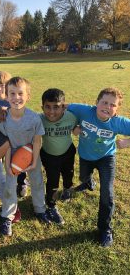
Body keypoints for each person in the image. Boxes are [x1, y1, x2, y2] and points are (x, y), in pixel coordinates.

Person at [67, 87, 130, 247]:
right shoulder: (85, 111)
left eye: (112, 105)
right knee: (83, 178)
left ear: (117, 109)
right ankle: (88, 183)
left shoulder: (119, 122)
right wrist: (73, 126)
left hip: (106, 158)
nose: (107, 107)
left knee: (107, 194)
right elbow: (63, 106)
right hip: (85, 156)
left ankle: (105, 229)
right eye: (104, 102)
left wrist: (127, 142)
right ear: (96, 103)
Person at [0, 77, 52, 237]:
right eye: (12, 94)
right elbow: (5, 143)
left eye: (20, 93)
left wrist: (34, 161)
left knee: (37, 182)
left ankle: (40, 209)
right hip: (11, 155)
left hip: (31, 154)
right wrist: (7, 165)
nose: (16, 98)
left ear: (28, 95)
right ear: (6, 96)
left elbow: (37, 140)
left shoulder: (34, 118)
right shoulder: (3, 118)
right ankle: (7, 216)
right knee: (9, 186)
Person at [40, 88, 78, 224]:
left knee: (69, 174)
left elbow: (90, 116)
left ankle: (67, 189)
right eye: (47, 107)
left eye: (56, 107)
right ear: (42, 107)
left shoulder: (72, 116)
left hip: (68, 152)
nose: (51, 112)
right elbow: (21, 117)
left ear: (64, 107)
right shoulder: (39, 119)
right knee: (52, 181)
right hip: (49, 155)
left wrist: (76, 129)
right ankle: (51, 206)